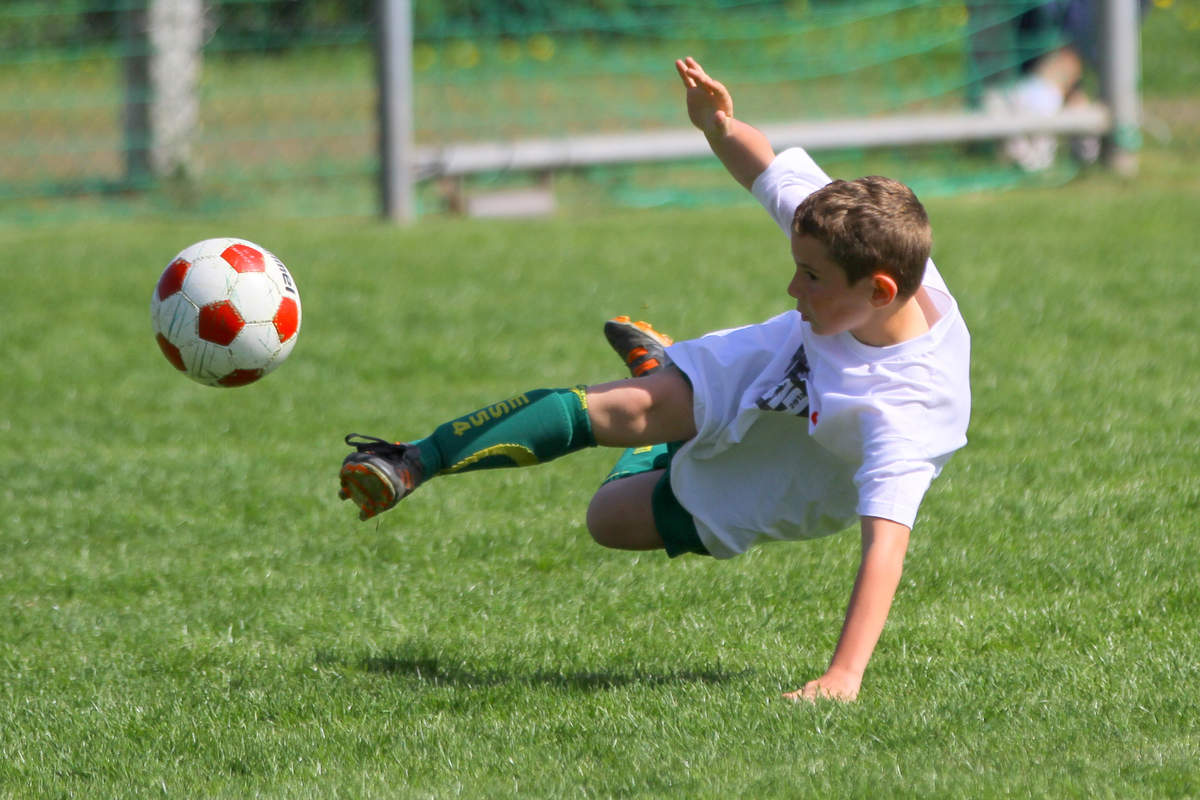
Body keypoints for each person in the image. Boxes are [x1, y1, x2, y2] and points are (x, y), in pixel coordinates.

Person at [338, 57, 972, 703]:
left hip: (793, 476)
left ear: (880, 291)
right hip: (778, 359)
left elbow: (884, 551)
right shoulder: (850, 247)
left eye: (810, 278)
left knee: (608, 521)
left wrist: (843, 677)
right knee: (630, 409)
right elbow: (766, 167)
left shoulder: (904, 412)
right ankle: (415, 460)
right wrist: (717, 125)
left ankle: (667, 395)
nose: (791, 284)